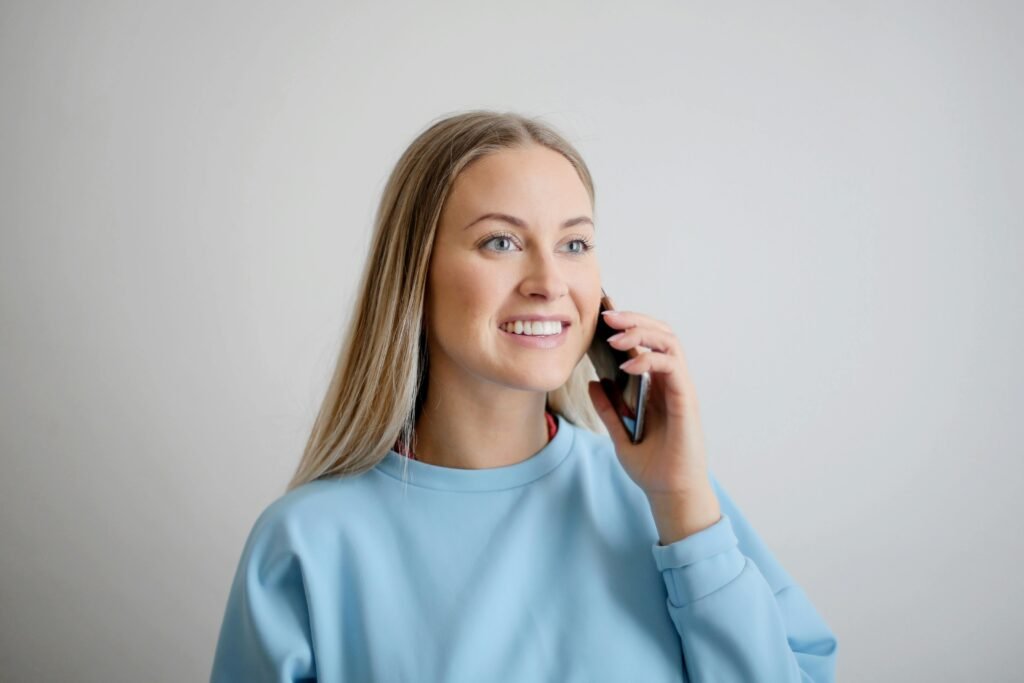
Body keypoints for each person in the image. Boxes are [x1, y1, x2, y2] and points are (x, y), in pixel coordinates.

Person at [209, 110, 839, 682]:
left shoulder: (673, 503)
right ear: (413, 276)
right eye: (500, 242)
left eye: (574, 244)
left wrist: (682, 507)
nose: (549, 282)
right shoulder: (304, 546)